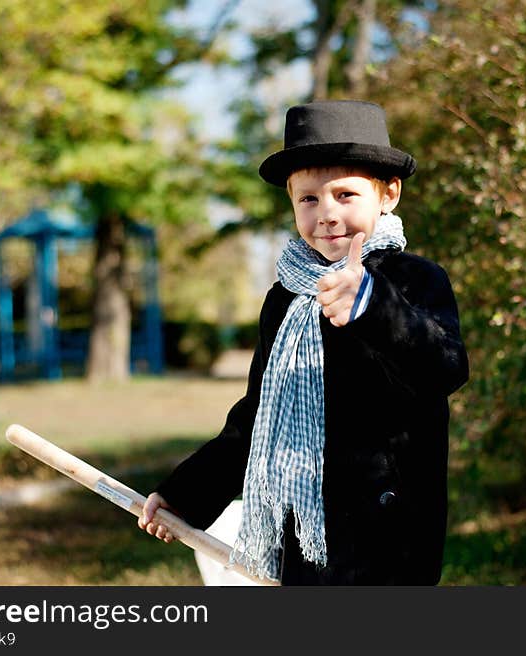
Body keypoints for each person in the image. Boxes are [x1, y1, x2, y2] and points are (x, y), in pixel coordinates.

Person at [138, 99, 469, 585]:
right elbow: (258, 415)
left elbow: (446, 368)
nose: (327, 214)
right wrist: (186, 495)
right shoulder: (286, 297)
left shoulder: (414, 280)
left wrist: (370, 306)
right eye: (309, 199)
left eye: (345, 195)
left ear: (389, 194)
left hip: (388, 539)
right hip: (306, 532)